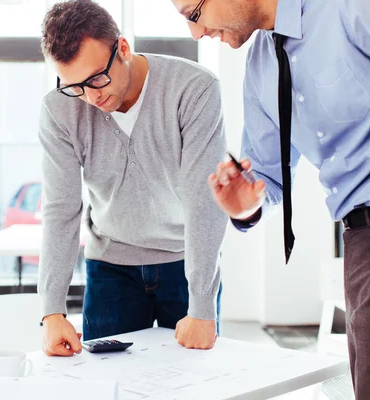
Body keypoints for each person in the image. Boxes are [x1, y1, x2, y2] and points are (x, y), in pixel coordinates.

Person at [170, 0, 370, 398]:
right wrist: (243, 204)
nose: (197, 34)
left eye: (194, 14)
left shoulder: (353, 7)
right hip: (362, 247)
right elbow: (267, 178)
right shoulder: (261, 65)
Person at [38, 0, 228, 358]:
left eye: (96, 78)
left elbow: (204, 200)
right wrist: (52, 311)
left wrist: (202, 304)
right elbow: (60, 208)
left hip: (185, 263)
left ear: (122, 48)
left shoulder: (194, 89)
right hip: (110, 268)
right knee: (108, 385)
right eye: (75, 86)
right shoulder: (59, 109)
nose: (91, 97)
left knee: (196, 383)